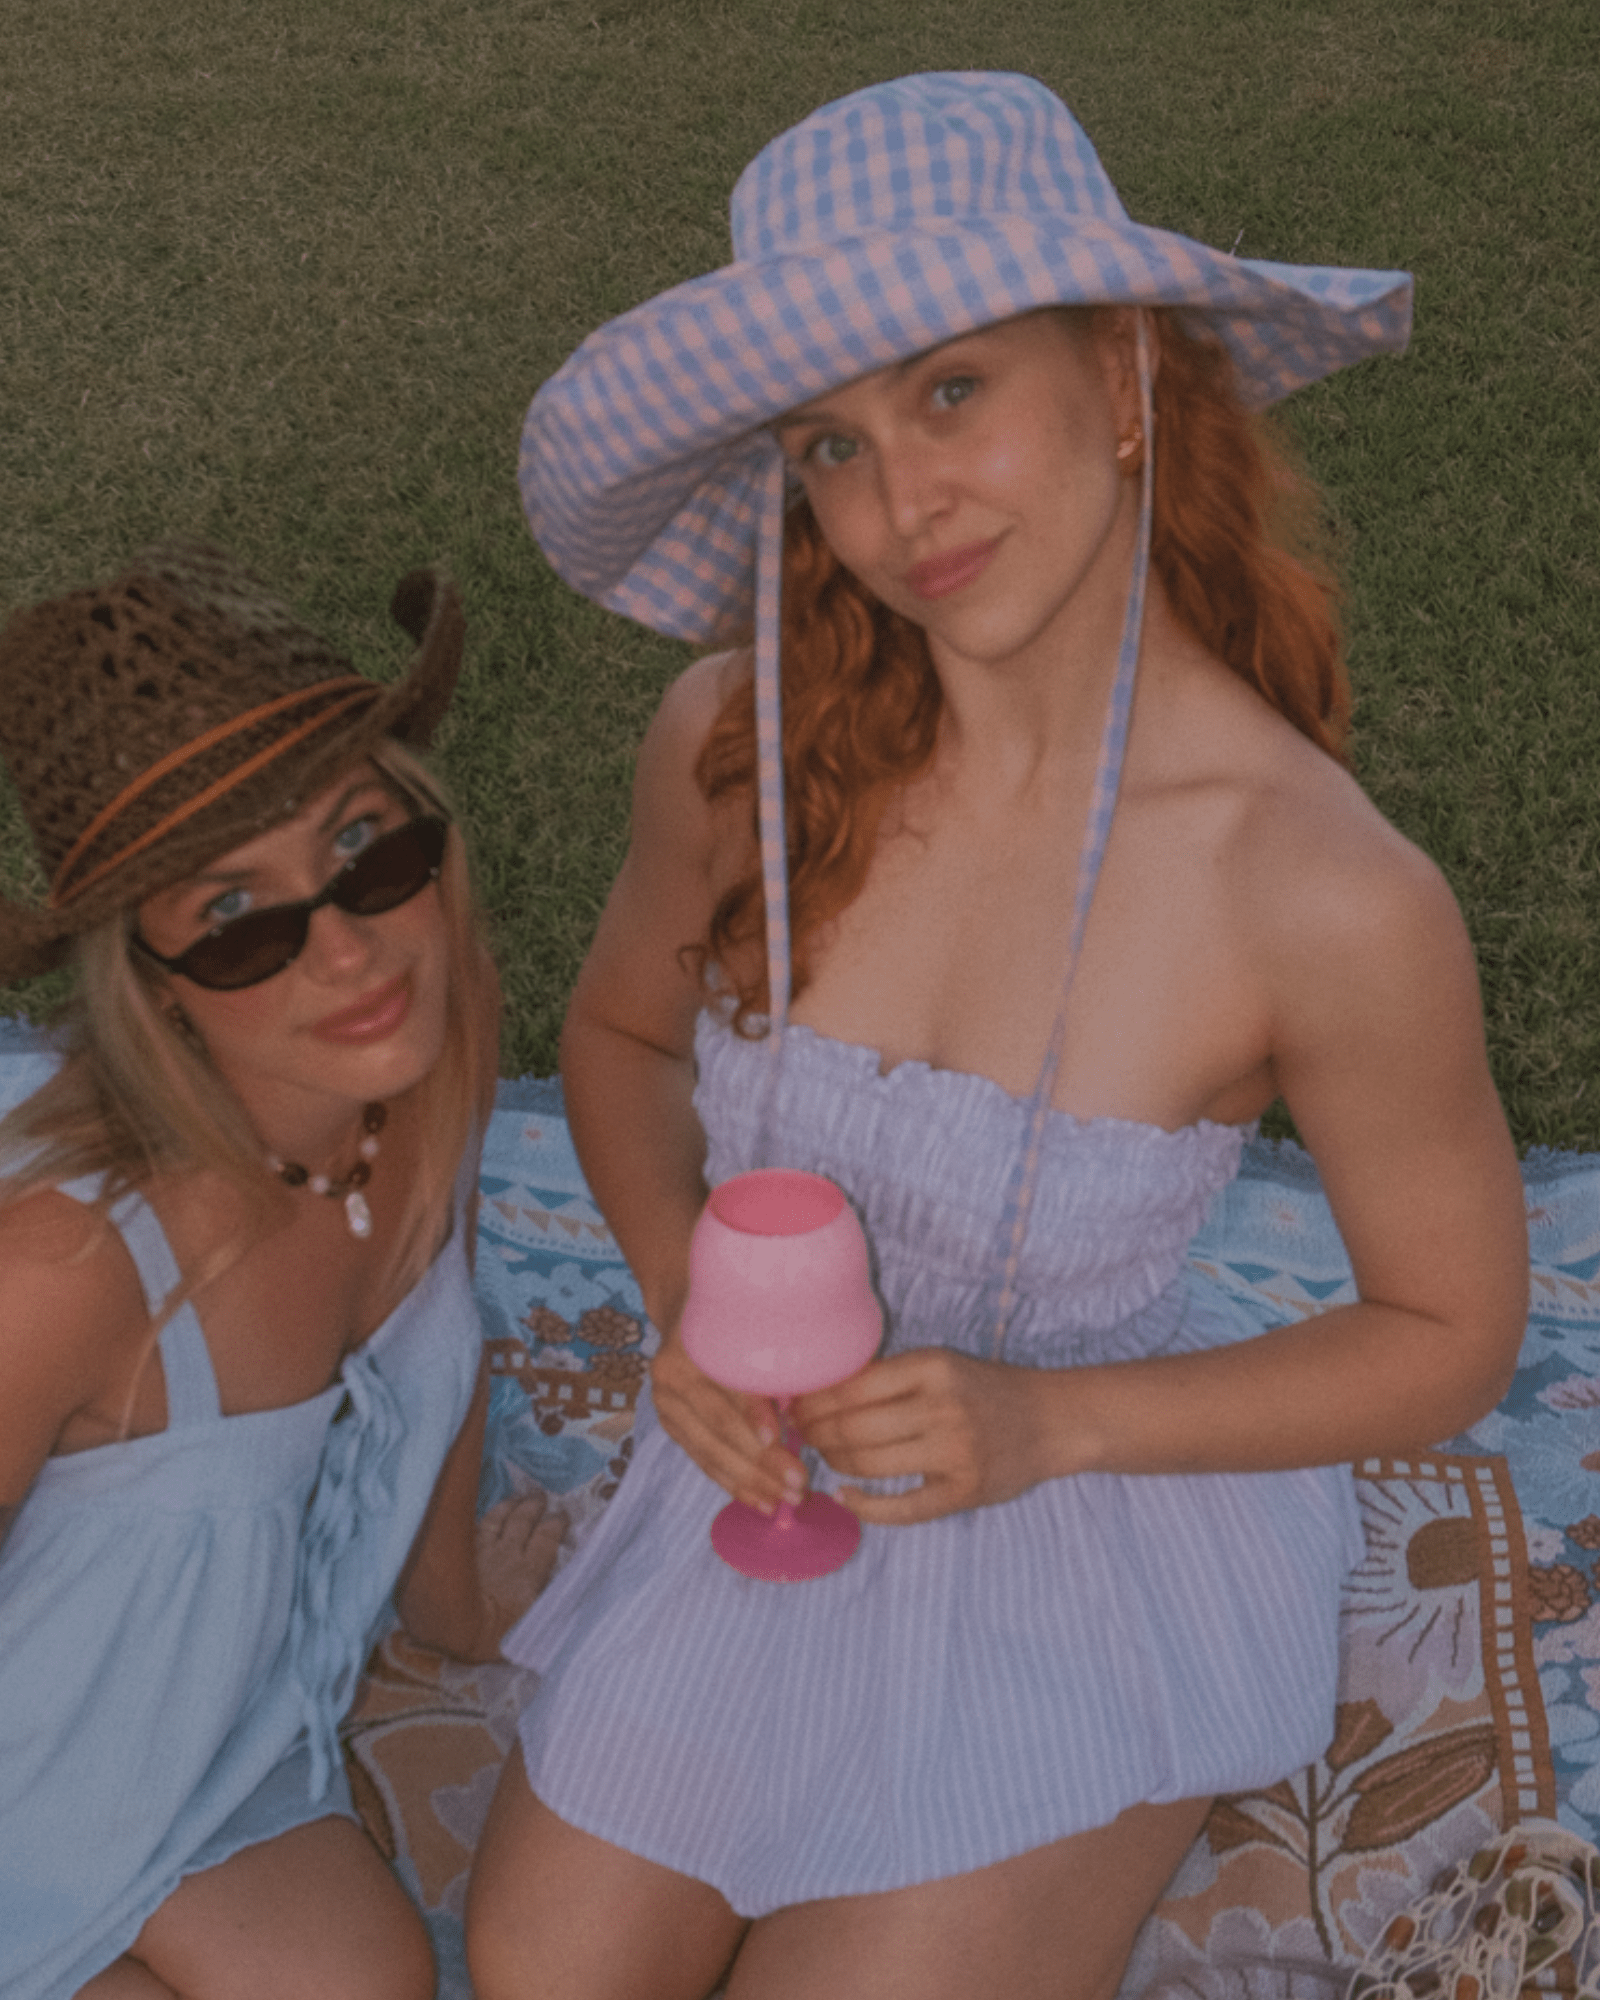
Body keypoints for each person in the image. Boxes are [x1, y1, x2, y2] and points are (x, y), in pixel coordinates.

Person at [467, 72, 1530, 2000]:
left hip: (1089, 1514)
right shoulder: (740, 747)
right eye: (833, 443)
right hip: (767, 1483)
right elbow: (620, 1036)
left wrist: (1053, 1423)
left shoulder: (1319, 889)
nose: (902, 507)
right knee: (544, 1972)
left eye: (952, 390)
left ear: (1123, 376)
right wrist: (689, 1307)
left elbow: (1451, 1331)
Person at [0, 543, 565, 2000]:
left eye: (367, 847)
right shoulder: (64, 1267)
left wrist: (454, 1609)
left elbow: (436, 1343)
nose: (352, 952)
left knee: (373, 1979)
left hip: (212, 1735)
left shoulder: (418, 1073)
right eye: (237, 918)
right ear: (152, 986)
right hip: (25, 1775)